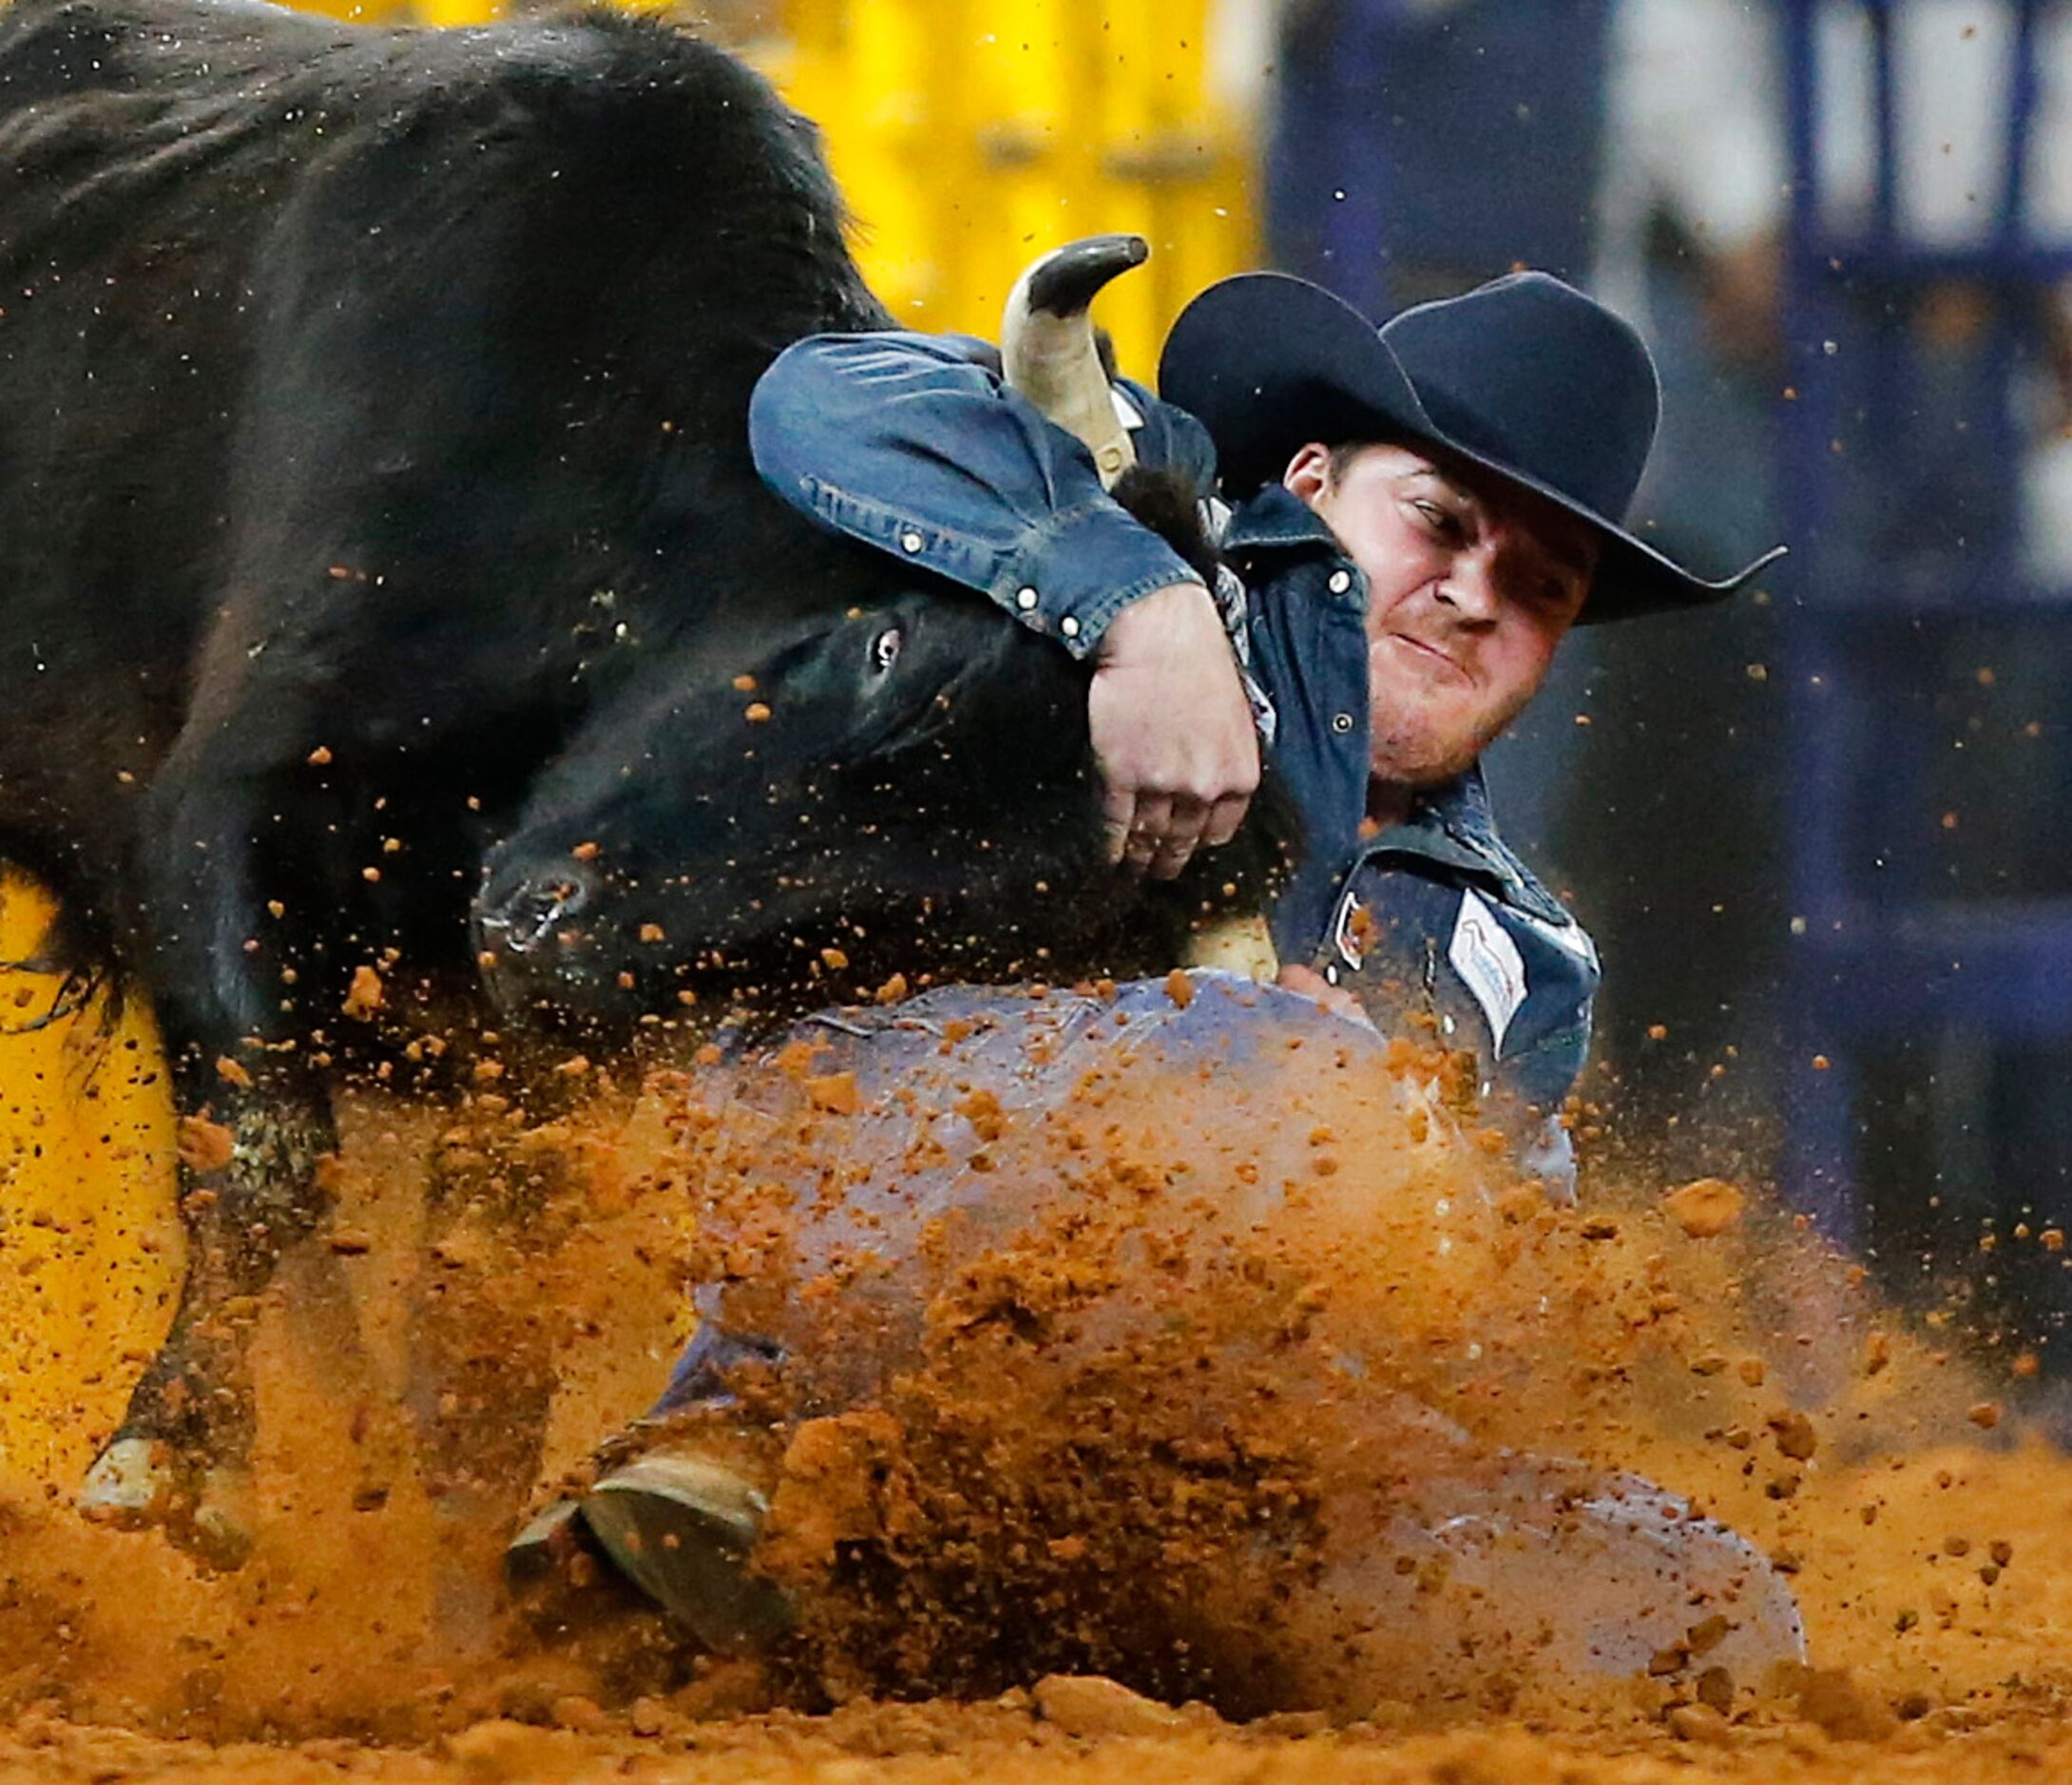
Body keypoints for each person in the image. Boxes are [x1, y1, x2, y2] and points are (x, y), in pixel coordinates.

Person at [504, 266, 1793, 1688]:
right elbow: (825, 398)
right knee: (1280, 1081)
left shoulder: (1526, 961)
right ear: (1311, 480)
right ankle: (771, 1448)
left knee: (1708, 1602)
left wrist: (1417, 1182)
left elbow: (1495, 1316)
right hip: (854, 1156)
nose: (1473, 594)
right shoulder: (1149, 528)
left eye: (1539, 585)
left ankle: (951, 1558)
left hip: (1196, 1415)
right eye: (1439, 523)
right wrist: (1132, 605)